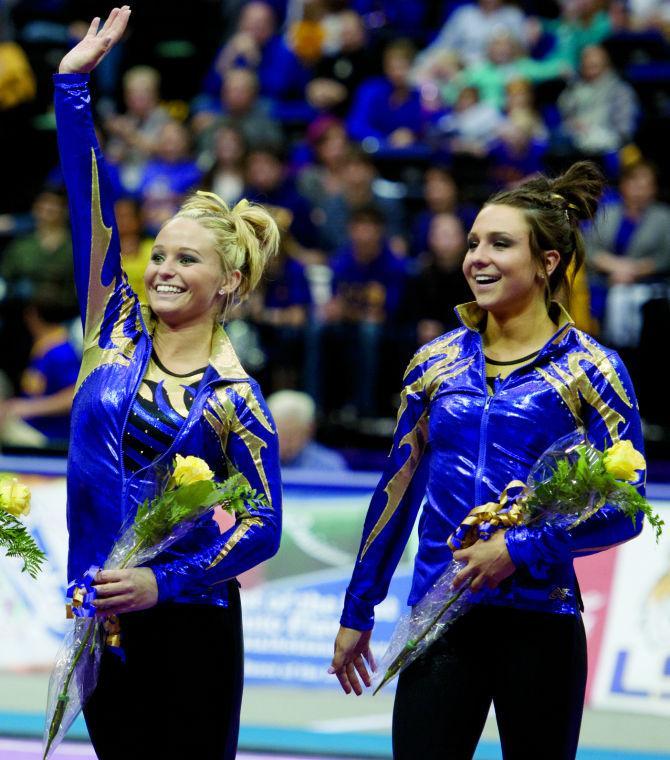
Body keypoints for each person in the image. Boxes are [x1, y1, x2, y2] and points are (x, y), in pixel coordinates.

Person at [329, 161, 645, 760]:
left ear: (547, 262)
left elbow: (626, 506)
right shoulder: (434, 364)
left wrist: (520, 549)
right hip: (440, 618)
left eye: (500, 243)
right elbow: (394, 495)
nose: (477, 256)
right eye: (473, 242)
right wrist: (357, 608)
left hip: (540, 622)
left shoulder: (592, 370)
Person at [54, 8, 282, 760]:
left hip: (191, 627)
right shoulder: (111, 329)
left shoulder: (235, 399)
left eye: (188, 260)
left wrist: (169, 582)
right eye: (160, 255)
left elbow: (263, 525)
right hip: (101, 622)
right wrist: (72, 87)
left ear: (230, 283)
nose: (163, 270)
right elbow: (93, 213)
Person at [266, 390, 347, 471]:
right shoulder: (255, 464)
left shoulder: (330, 467)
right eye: (277, 433)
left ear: (309, 430)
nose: (283, 441)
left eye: (291, 434)